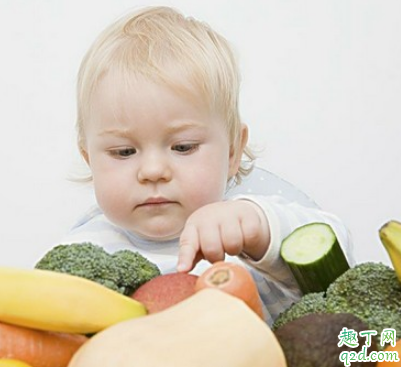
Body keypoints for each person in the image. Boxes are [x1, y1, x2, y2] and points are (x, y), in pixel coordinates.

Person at [62, 5, 353, 324]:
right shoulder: (81, 253)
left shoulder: (244, 236)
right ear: (89, 159)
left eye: (183, 147)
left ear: (232, 152)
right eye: (124, 152)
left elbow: (344, 269)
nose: (153, 171)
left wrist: (260, 229)